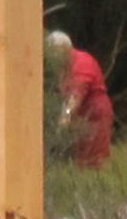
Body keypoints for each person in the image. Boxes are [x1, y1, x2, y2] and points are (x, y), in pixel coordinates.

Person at [46, 29, 114, 169]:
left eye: (54, 52)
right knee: (82, 161)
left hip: (96, 114)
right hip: (82, 116)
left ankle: (103, 184)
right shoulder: (65, 68)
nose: (52, 56)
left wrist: (65, 119)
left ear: (64, 48)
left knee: (97, 158)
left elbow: (75, 96)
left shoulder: (81, 62)